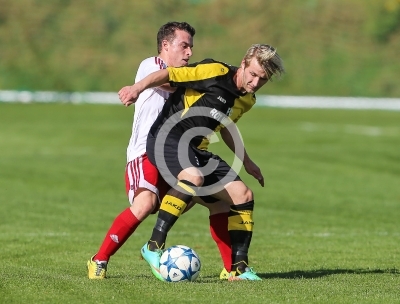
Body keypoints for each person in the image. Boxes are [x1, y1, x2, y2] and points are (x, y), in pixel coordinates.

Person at [118, 44, 285, 281]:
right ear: (244, 63)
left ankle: (239, 269)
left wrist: (246, 161)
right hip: (167, 137)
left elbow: (224, 125)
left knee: (243, 195)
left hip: (194, 149)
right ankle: (153, 246)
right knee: (193, 177)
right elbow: (169, 74)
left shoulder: (248, 100)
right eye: (254, 74)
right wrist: (136, 88)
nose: (256, 82)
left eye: (263, 79)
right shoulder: (214, 71)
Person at [87, 21, 232, 280]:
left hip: (178, 153)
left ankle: (232, 270)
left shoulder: (190, 76)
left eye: (191, 48)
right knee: (145, 204)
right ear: (165, 45)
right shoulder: (152, 65)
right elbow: (168, 82)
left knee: (220, 202)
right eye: (183, 46)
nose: (189, 53)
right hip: (145, 151)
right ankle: (99, 260)